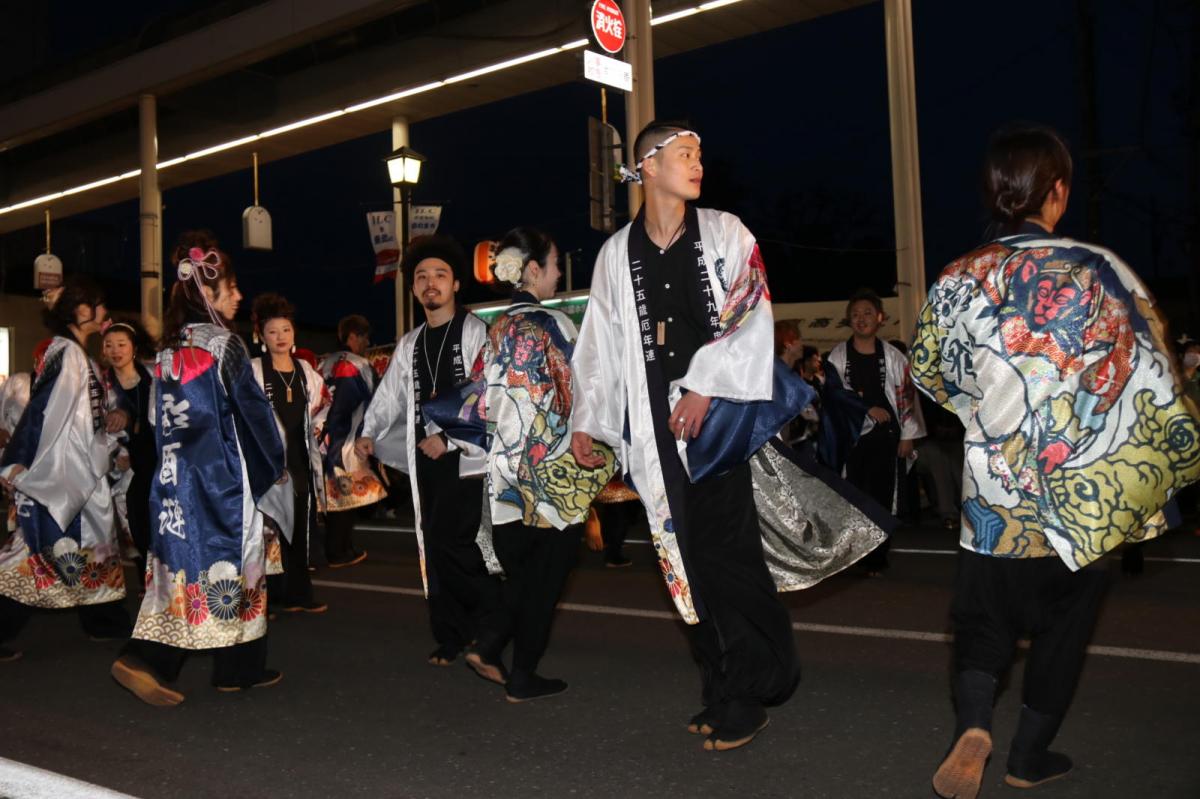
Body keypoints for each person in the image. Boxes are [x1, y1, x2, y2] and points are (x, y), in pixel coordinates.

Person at [569, 122, 883, 751]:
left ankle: (751, 686)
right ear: (647, 166)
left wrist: (706, 385)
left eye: (701, 156)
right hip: (654, 434)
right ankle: (721, 682)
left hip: (717, 424)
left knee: (725, 555)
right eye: (685, 155)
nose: (699, 165)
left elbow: (750, 307)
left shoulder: (724, 233)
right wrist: (588, 420)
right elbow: (598, 348)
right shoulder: (614, 255)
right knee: (681, 563)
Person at [913, 124, 1200, 797]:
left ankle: (976, 722)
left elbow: (931, 372)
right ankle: (1029, 754)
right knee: (1064, 629)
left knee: (982, 621)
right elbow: (1154, 374)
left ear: (994, 191)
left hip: (993, 493)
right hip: (1079, 490)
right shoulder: (1100, 268)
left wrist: (987, 415)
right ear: (1058, 192)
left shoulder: (960, 275)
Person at [425, 227, 616, 701]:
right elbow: (581, 395)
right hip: (552, 476)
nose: (555, 275)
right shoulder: (555, 326)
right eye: (553, 266)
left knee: (525, 576)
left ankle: (493, 649)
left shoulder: (495, 331)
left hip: (506, 478)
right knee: (545, 581)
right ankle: (516, 668)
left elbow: (474, 403)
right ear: (532, 270)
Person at [112, 231, 286, 705]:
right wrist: (275, 466)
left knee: (182, 572)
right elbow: (253, 415)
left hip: (173, 483)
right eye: (230, 288)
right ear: (208, 294)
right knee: (240, 563)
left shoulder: (168, 351)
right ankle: (150, 658)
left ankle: (236, 666)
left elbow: (153, 418)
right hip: (223, 482)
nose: (237, 296)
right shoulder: (224, 346)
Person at [356, 236, 501, 667]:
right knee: (433, 546)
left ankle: (493, 619)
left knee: (461, 543)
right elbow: (389, 397)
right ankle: (454, 635)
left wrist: (450, 437)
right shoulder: (410, 343)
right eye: (421, 277)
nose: (430, 283)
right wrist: (369, 432)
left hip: (468, 457)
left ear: (456, 284)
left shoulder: (477, 333)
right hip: (424, 460)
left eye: (439, 275)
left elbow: (487, 393)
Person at [0, 278, 132, 662]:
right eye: (99, 305)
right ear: (81, 311)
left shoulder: (77, 355)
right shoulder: (68, 354)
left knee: (93, 546)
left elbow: (79, 415)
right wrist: (17, 460)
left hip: (82, 469)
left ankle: (103, 620)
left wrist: (112, 430)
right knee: (40, 552)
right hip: (63, 471)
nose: (104, 312)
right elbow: (42, 411)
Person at [822, 289, 925, 574]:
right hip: (851, 439)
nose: (861, 319)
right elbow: (833, 394)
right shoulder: (837, 357)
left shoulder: (893, 357)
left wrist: (907, 435)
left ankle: (877, 556)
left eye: (868, 313)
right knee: (853, 495)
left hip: (886, 440)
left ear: (880, 318)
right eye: (855, 314)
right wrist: (866, 409)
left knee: (882, 495)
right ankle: (854, 554)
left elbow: (906, 397)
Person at [251, 293, 329, 614]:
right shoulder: (252, 371)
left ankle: (299, 593)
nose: (280, 337)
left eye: (285, 330)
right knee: (266, 530)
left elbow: (324, 406)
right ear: (260, 337)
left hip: (299, 459)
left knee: (298, 526)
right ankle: (265, 598)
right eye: (272, 331)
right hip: (266, 463)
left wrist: (319, 426)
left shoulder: (306, 372)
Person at [321, 315, 386, 567]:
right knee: (345, 499)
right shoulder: (359, 365)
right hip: (347, 440)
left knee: (334, 496)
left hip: (323, 440)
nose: (367, 342)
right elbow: (375, 402)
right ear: (352, 337)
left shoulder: (324, 363)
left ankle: (341, 548)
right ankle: (338, 552)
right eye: (364, 337)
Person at [102, 319, 156, 578]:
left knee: (157, 519)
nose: (115, 351)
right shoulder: (102, 384)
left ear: (134, 348)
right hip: (123, 464)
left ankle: (158, 578)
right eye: (109, 345)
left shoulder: (153, 376)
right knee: (132, 522)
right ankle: (145, 575)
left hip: (156, 457)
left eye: (121, 344)